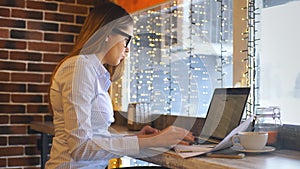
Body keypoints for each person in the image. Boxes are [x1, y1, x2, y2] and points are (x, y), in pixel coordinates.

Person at [45, 2, 194, 169]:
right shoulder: (80, 67)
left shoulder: (94, 72)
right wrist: (154, 141)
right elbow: (81, 148)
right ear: (108, 32)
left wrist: (139, 138)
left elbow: (97, 138)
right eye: (127, 39)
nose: (128, 49)